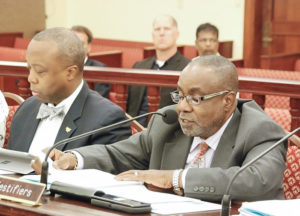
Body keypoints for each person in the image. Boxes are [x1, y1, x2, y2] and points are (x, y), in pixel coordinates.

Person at [34, 55, 287, 202]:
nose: (182, 108)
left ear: (228, 101)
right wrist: (73, 159)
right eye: (180, 95)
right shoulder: (168, 123)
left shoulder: (260, 130)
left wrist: (174, 178)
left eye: (195, 99)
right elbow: (118, 154)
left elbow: (256, 181)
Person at [7, 27, 131, 156]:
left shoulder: (107, 119)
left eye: (40, 71)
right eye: (29, 68)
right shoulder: (26, 109)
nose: (30, 78)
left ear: (70, 72)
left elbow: (104, 174)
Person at [127, 14, 190, 127]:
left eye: (166, 29)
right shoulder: (139, 66)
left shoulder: (188, 68)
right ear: (153, 35)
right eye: (157, 29)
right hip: (133, 129)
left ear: (177, 34)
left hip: (167, 131)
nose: (161, 33)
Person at [71, 25, 110, 98]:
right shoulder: (60, 66)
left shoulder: (99, 69)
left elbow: (100, 100)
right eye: (73, 43)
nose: (76, 47)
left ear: (89, 47)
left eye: (81, 43)